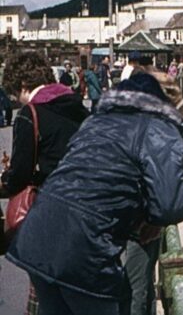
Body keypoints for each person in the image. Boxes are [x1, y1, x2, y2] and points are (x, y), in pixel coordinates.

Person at [6, 70, 183, 315]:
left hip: (39, 234)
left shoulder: (96, 121)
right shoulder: (159, 129)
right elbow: (170, 205)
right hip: (84, 248)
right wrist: (152, 220)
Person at [0, 51, 90, 313]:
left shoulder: (30, 113)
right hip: (86, 208)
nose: (17, 100)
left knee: (44, 293)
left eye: (16, 94)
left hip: (52, 211)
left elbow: (20, 174)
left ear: (23, 85)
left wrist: (5, 180)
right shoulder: (77, 107)